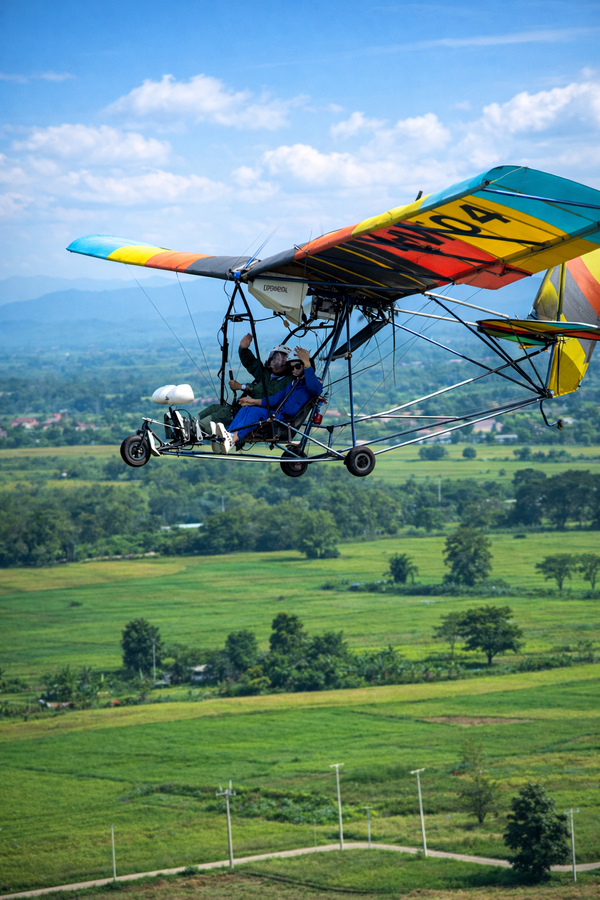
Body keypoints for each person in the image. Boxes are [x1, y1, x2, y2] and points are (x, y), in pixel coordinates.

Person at [213, 347, 322, 453]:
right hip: (279, 414)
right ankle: (228, 435)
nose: (293, 370)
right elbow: (276, 398)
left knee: (255, 412)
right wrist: (254, 401)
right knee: (247, 408)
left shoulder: (311, 386)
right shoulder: (293, 384)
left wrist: (307, 364)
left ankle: (232, 439)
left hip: (285, 420)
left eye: (297, 367)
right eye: (292, 367)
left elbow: (316, 388)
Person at [194, 335, 293, 439]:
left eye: (280, 360)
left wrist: (242, 387)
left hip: (258, 415)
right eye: (275, 358)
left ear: (288, 364)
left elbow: (266, 393)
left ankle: (196, 429)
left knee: (223, 414)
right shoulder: (266, 374)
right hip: (245, 409)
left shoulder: (288, 382)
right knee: (214, 408)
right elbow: (251, 362)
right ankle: (191, 423)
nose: (276, 362)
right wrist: (243, 349)